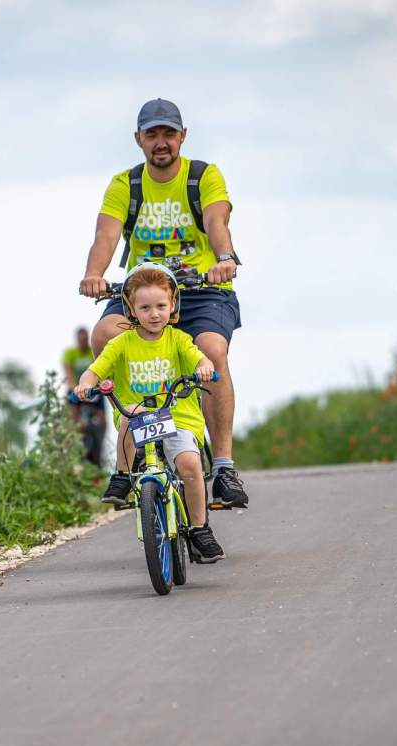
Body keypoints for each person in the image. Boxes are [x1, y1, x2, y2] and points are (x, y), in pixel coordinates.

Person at [78, 97, 248, 508]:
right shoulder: (126, 185)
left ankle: (223, 466)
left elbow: (216, 222)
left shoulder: (203, 176)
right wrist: (93, 274)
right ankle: (130, 456)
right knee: (104, 335)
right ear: (138, 139)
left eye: (168, 134)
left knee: (210, 350)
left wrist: (224, 259)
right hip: (144, 291)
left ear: (182, 136)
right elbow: (107, 236)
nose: (161, 143)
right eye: (151, 134)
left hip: (202, 289)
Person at [74, 265, 225, 563]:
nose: (154, 314)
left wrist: (204, 367)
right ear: (131, 309)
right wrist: (85, 384)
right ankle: (121, 475)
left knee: (190, 466)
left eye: (161, 306)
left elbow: (199, 358)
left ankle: (199, 529)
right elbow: (95, 370)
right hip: (139, 416)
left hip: (176, 416)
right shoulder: (121, 344)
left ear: (172, 305)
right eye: (145, 307)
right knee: (130, 416)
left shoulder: (178, 340)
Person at [63, 327, 107, 466]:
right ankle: (73, 433)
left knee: (102, 419)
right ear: (77, 340)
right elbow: (69, 373)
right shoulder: (70, 353)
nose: (82, 342)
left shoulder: (91, 351)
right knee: (71, 408)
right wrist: (73, 386)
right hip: (76, 387)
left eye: (84, 340)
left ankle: (101, 441)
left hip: (92, 389)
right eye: (80, 340)